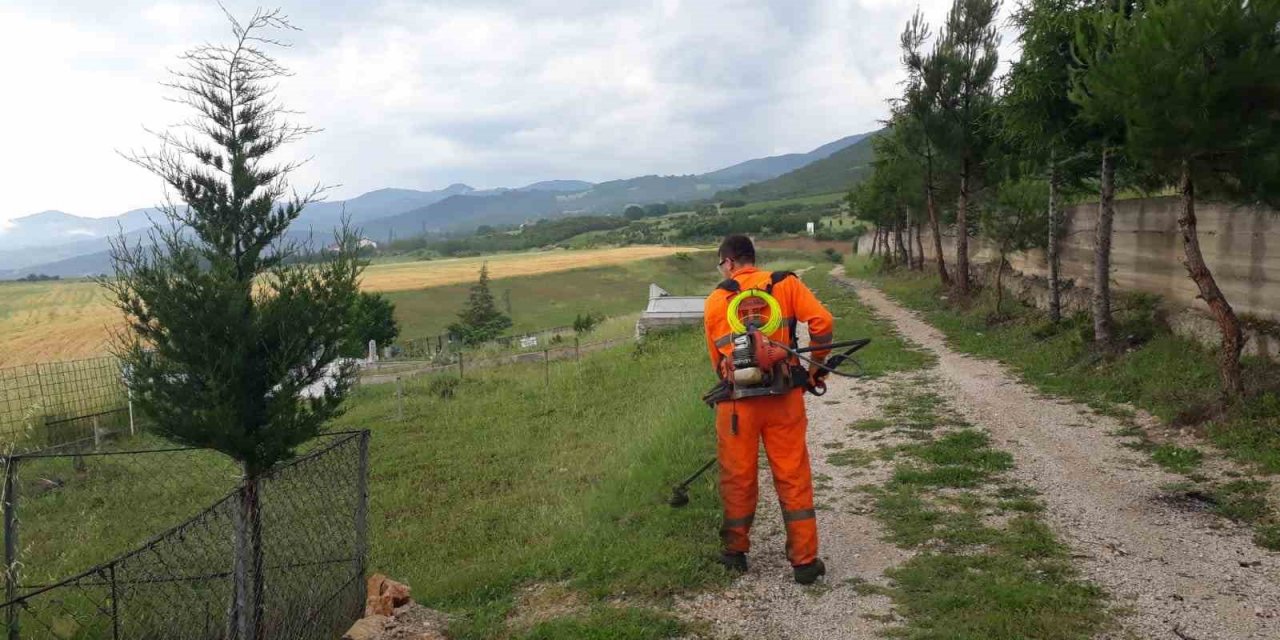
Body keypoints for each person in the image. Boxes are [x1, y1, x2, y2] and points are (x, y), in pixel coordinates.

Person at [702, 234, 834, 585]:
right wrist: (814, 370)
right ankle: (804, 562)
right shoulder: (786, 284)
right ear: (752, 258)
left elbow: (718, 360)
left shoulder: (717, 299)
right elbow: (823, 323)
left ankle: (734, 554)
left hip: (736, 408)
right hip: (784, 400)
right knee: (793, 474)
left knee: (738, 476)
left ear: (728, 263)